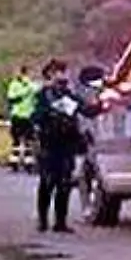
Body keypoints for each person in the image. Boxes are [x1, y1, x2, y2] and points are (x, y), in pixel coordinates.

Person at [31, 58, 91, 233]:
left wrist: (102, 104)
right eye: (57, 72)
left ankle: (60, 222)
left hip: (67, 144)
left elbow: (86, 110)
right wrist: (49, 113)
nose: (62, 76)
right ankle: (42, 220)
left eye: (63, 72)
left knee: (64, 184)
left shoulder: (69, 95)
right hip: (49, 144)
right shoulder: (43, 95)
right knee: (47, 182)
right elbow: (35, 116)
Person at [5, 65, 39, 172]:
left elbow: (38, 97)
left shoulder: (33, 85)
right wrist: (25, 91)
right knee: (16, 141)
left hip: (28, 116)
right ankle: (14, 162)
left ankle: (29, 164)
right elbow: (11, 98)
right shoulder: (15, 84)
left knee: (28, 141)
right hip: (18, 115)